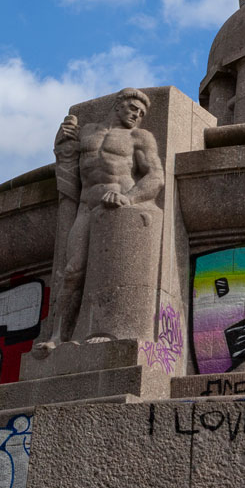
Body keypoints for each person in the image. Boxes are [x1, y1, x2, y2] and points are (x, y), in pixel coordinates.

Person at [35, 88, 164, 353]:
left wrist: (128, 198)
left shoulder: (140, 137)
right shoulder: (87, 132)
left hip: (117, 208)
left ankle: (108, 331)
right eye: (133, 108)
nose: (137, 115)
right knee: (72, 271)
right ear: (118, 106)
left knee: (114, 271)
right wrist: (63, 142)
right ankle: (57, 337)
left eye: (141, 113)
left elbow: (156, 176)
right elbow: (68, 163)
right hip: (86, 207)